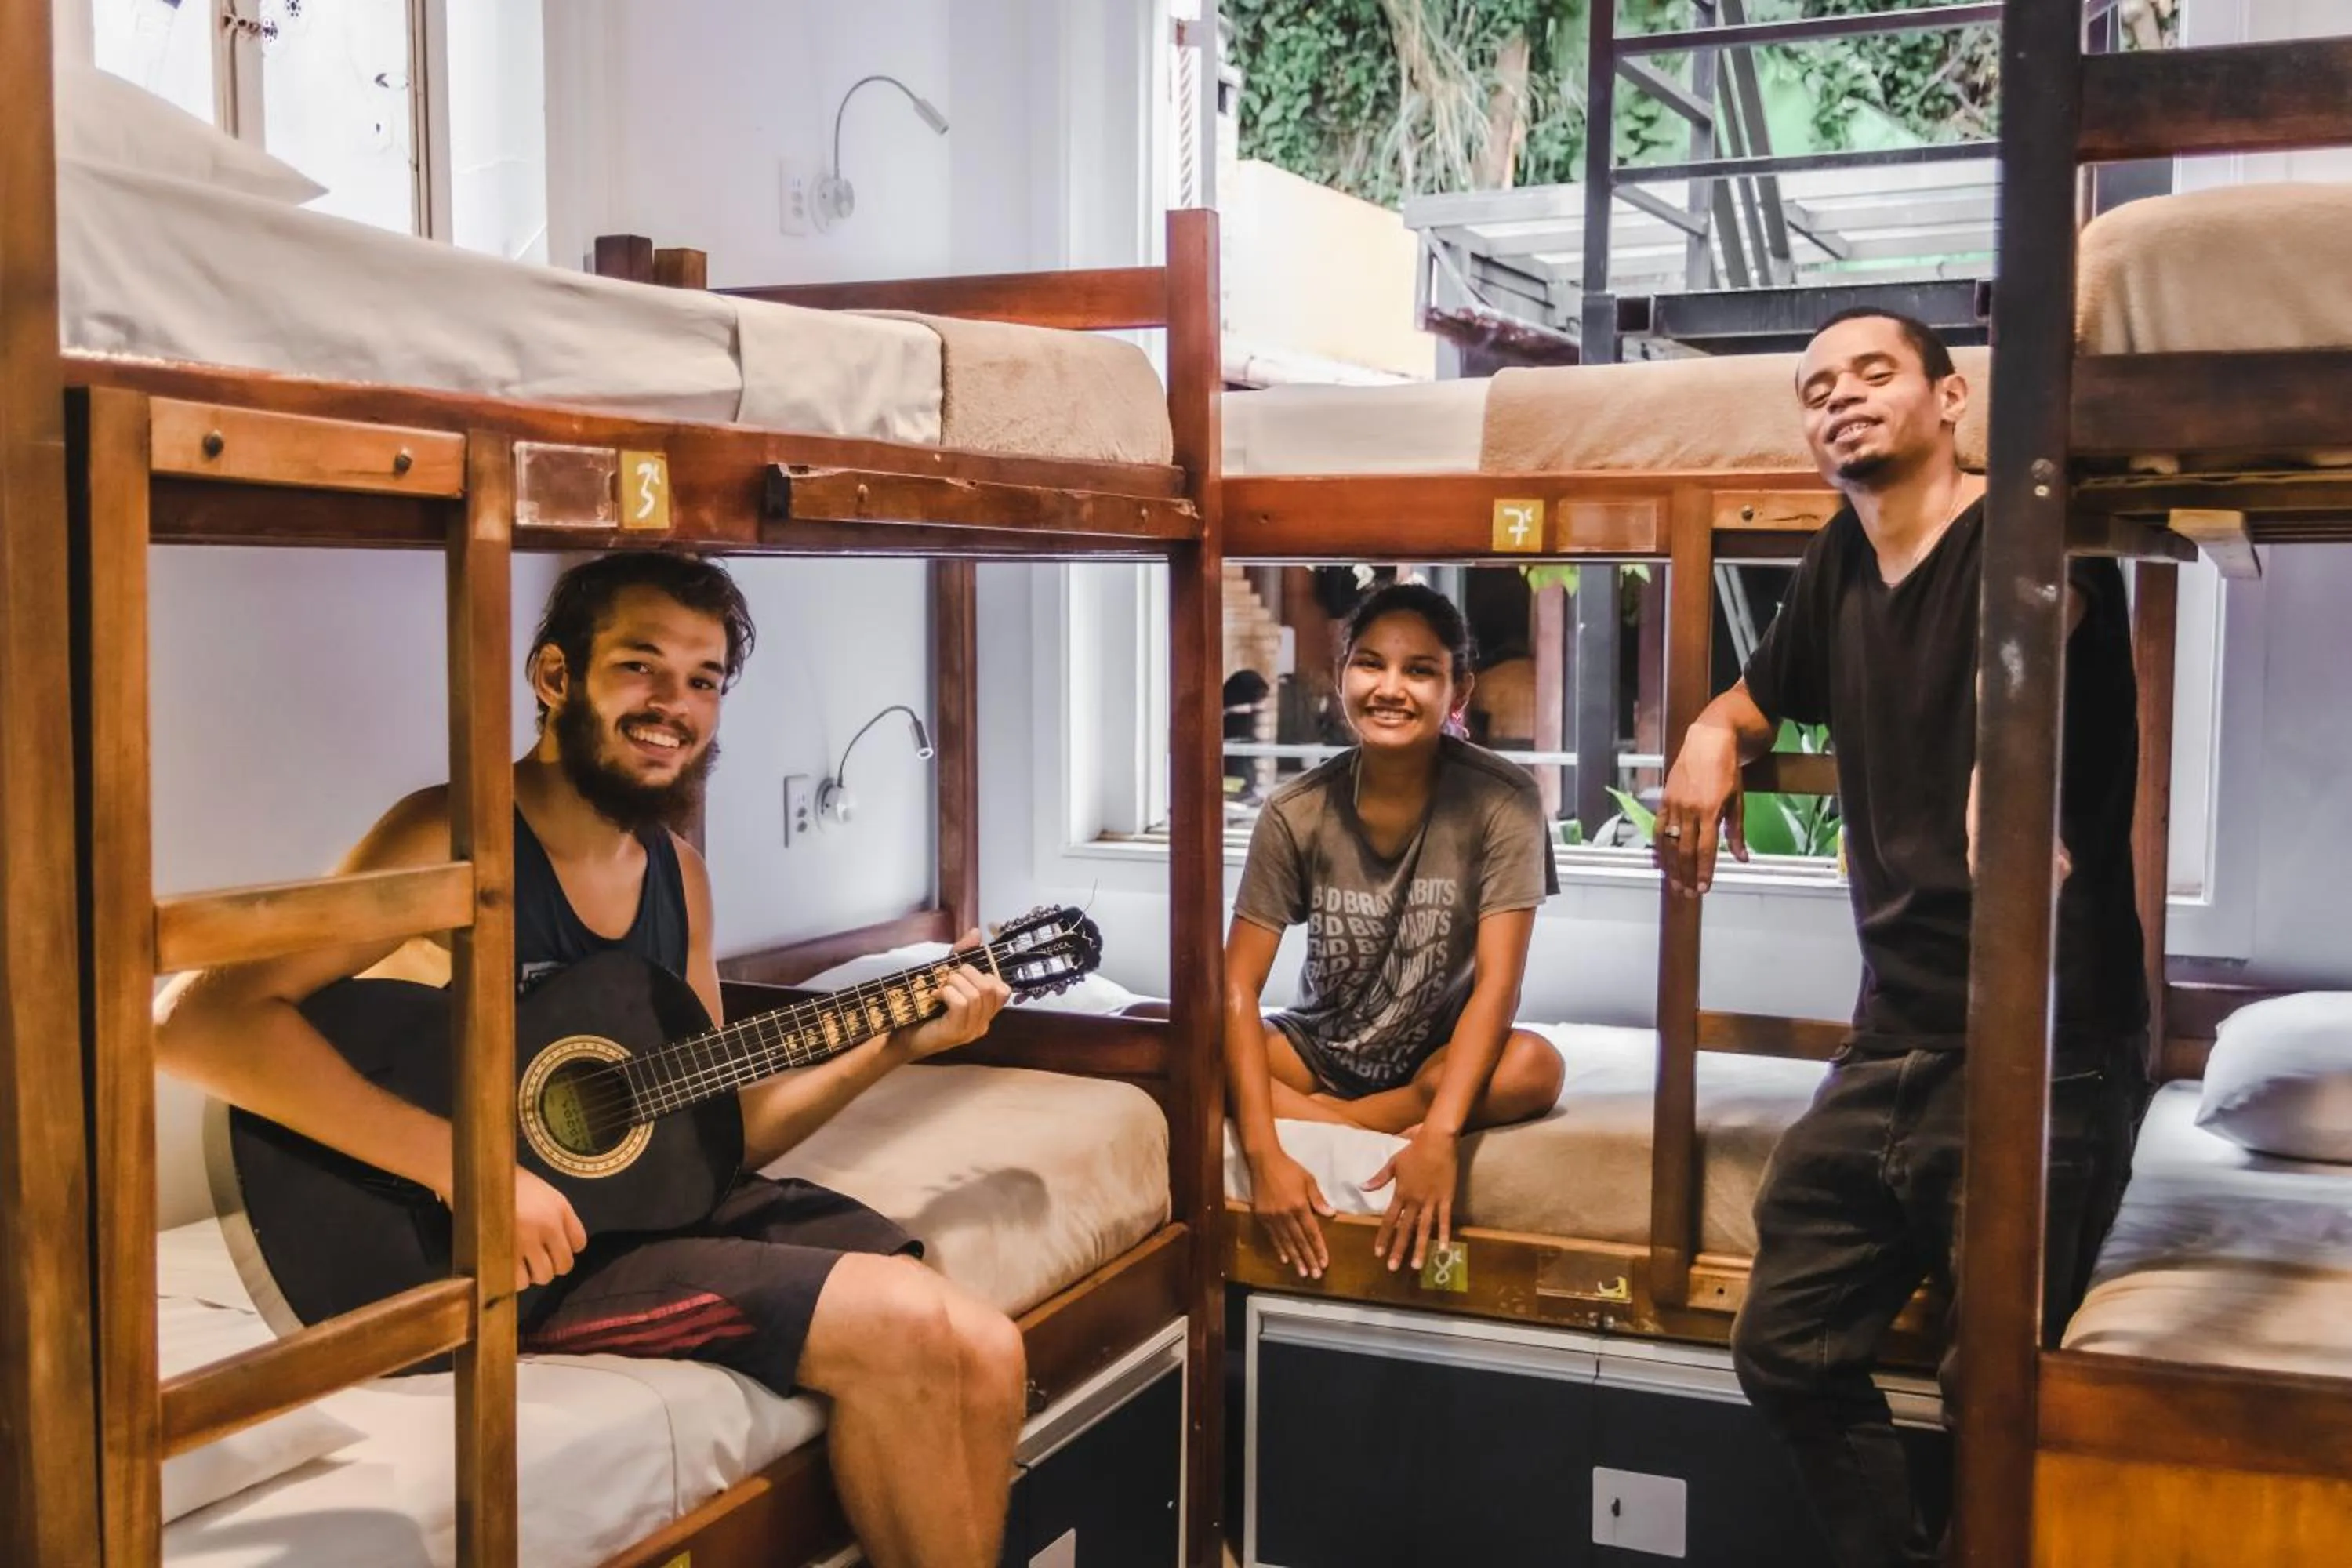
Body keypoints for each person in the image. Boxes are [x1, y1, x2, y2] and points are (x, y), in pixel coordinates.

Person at [158, 552, 1024, 1568]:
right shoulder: (453, 834)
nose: (677, 704)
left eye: (704, 680)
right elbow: (196, 1024)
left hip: (641, 1208)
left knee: (989, 1346)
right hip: (493, 1247)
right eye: (642, 667)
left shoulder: (679, 877)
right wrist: (468, 1171)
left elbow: (720, 1132)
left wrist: (893, 1045)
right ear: (555, 677)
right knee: (909, 1330)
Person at [1654, 310, 2149, 1567]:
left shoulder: (2039, 533)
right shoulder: (1837, 563)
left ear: (1952, 399)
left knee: (2005, 1389)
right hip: (1897, 1035)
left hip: (2045, 1043)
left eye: (1873, 374)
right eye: (1817, 389)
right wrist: (1715, 735)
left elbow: (2044, 633)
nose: (1842, 400)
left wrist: (2006, 752)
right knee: (1786, 1346)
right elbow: (1757, 698)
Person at [1224, 581, 1564, 1283]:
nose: (1391, 688)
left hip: (1433, 1058)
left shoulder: (1505, 801)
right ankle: (1355, 1121)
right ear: (1343, 670)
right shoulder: (1295, 811)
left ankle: (1352, 1117)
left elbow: (1500, 984)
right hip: (1316, 1049)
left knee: (1536, 1066)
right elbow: (1236, 983)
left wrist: (1438, 1133)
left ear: (1457, 688)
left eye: (1420, 671)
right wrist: (1264, 1154)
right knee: (1167, 1027)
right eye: (1371, 663)